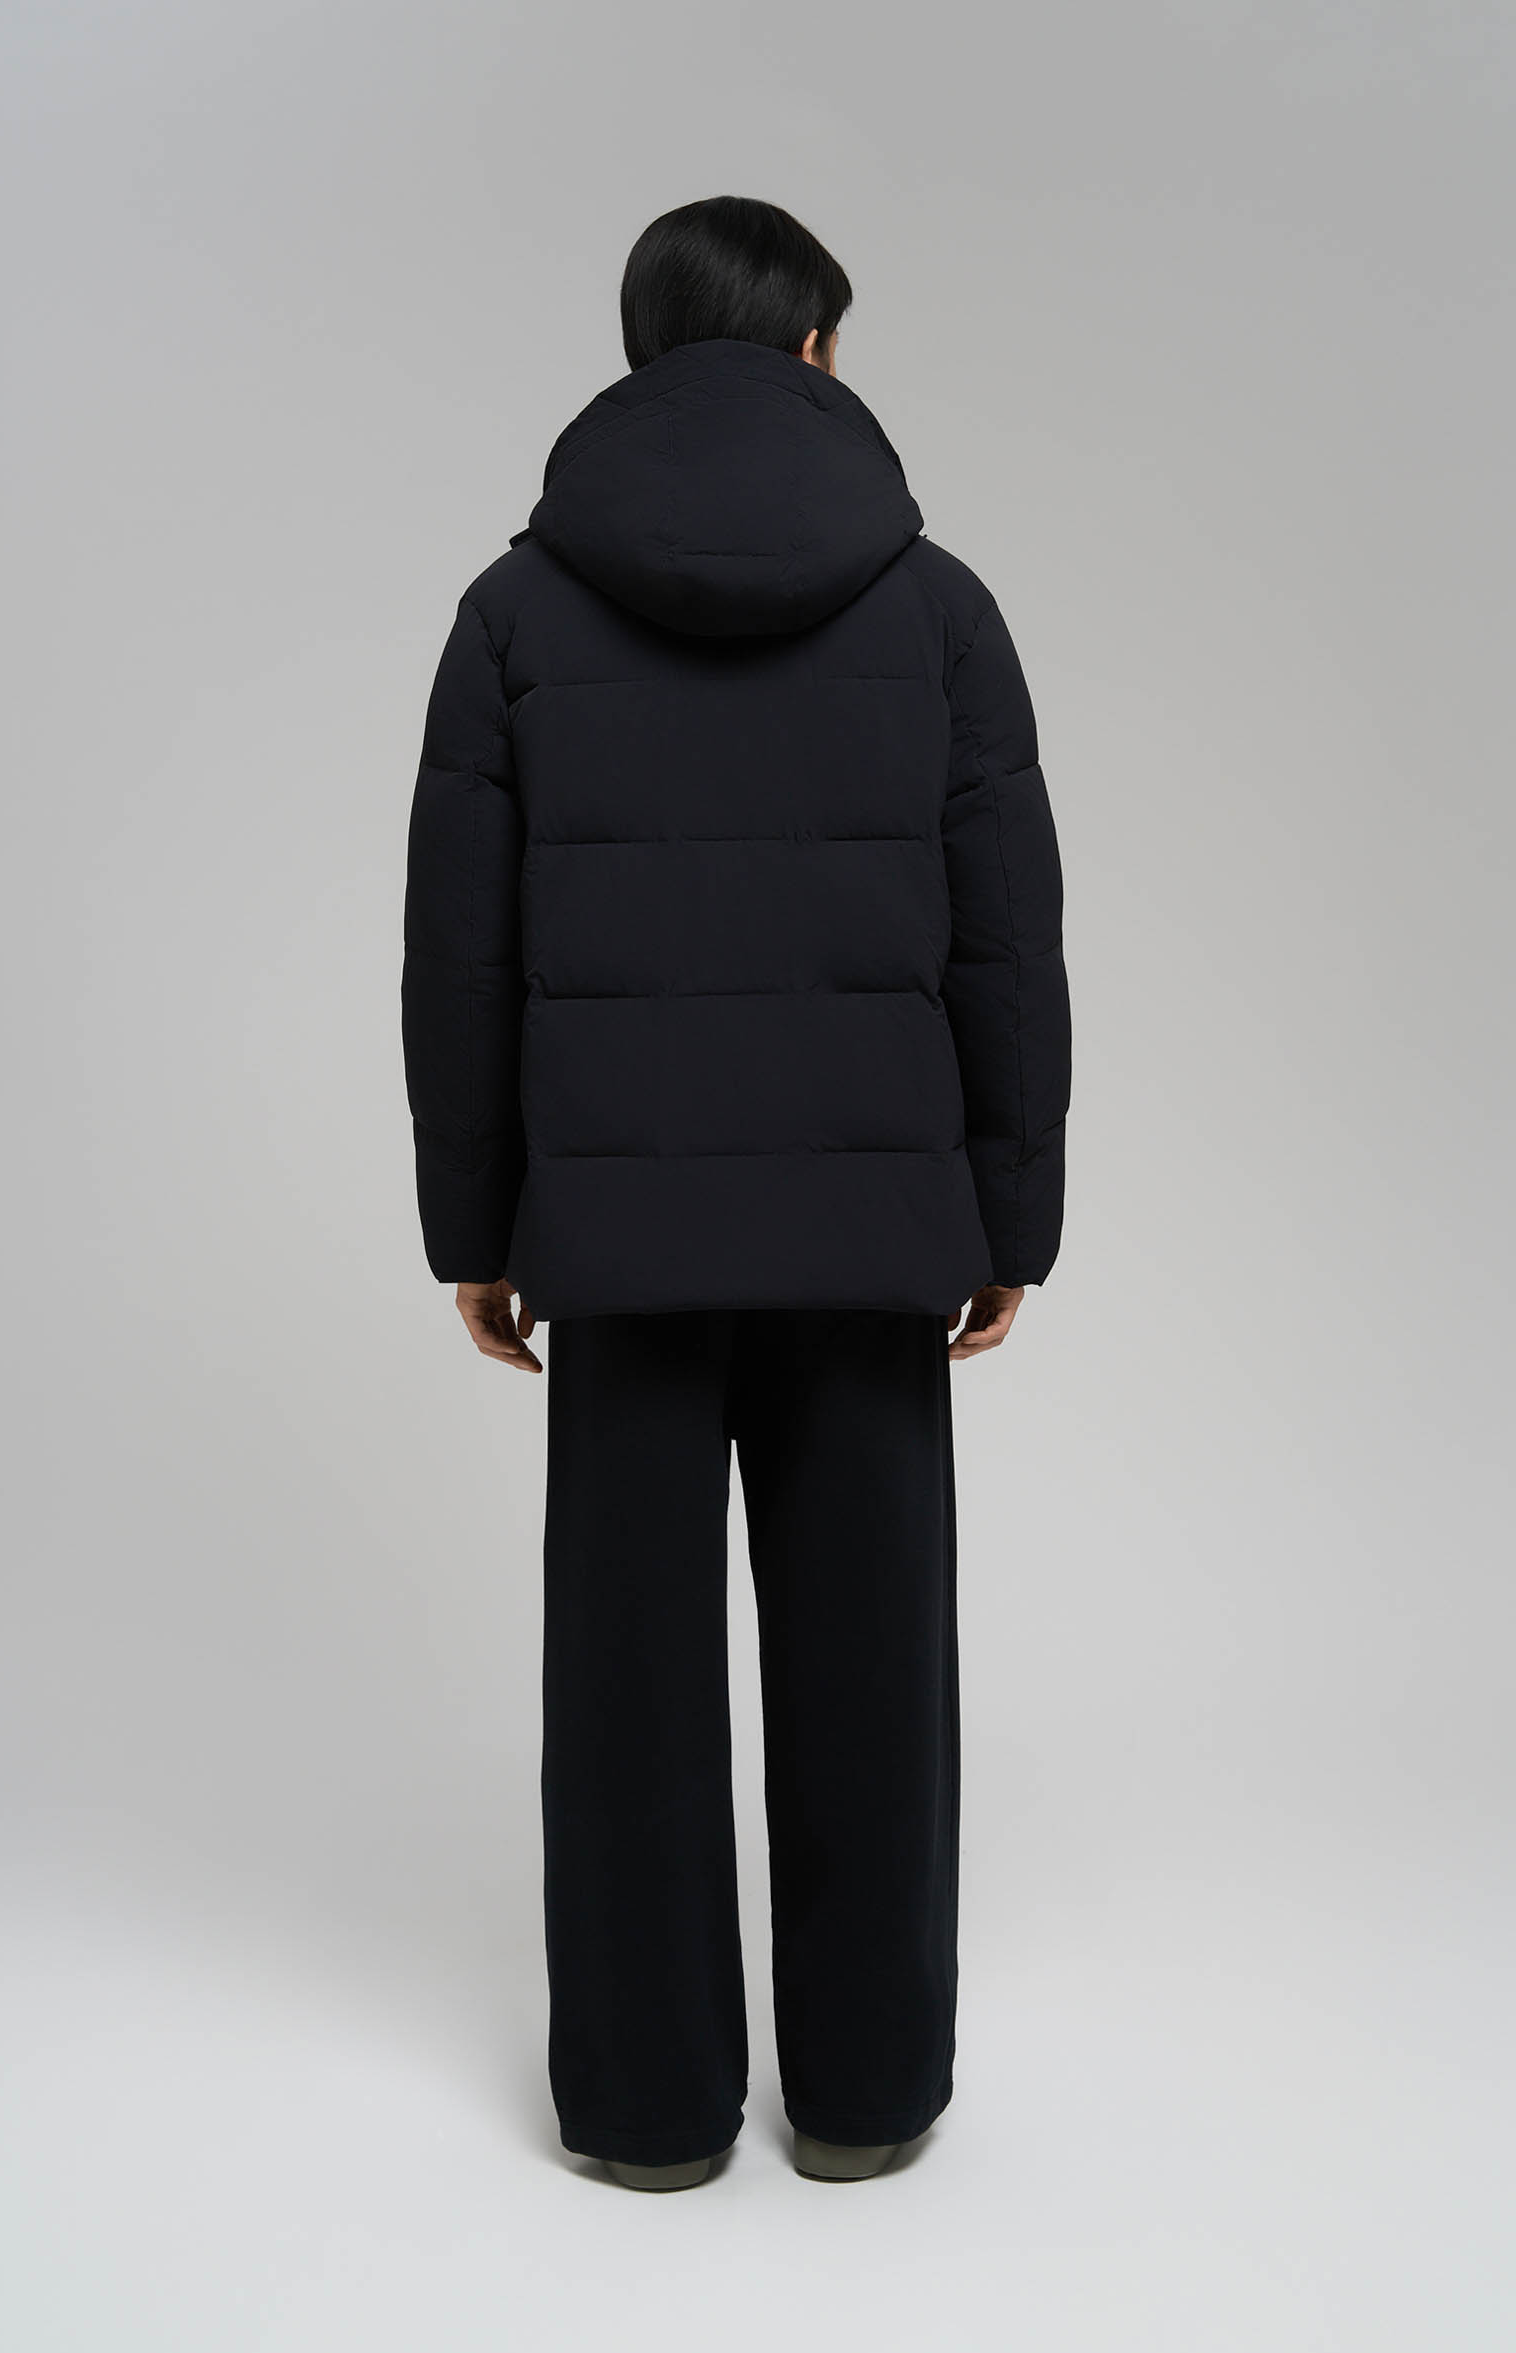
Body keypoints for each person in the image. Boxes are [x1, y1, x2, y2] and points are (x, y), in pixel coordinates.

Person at [401, 195, 1072, 2191]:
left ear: (643, 351)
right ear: (809, 350)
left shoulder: (513, 617)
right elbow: (1003, 944)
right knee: (874, 1662)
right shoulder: (938, 612)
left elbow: (459, 956)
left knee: (624, 1675)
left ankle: (645, 2112)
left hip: (616, 1239)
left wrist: (476, 1230)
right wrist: (1008, 1214)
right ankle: (864, 2096)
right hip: (871, 1236)